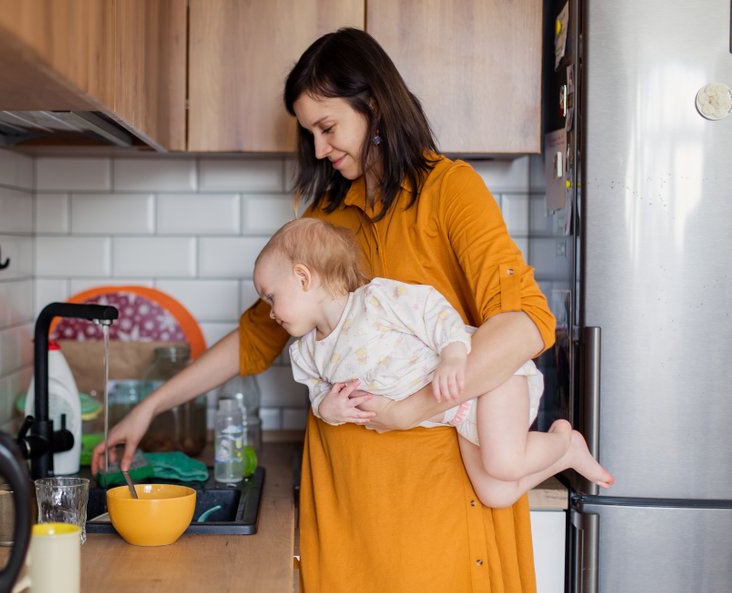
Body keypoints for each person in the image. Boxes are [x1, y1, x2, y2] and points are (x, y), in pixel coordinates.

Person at [94, 27, 559, 591]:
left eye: (327, 126)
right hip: (343, 507)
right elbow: (254, 339)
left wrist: (411, 409)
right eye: (309, 132)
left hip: (438, 507)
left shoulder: (450, 191)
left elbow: (525, 323)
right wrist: (152, 407)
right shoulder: (328, 225)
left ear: (374, 105)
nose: (317, 148)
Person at [253, 217, 613, 508]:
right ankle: (563, 457)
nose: (270, 313)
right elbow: (317, 394)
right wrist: (326, 408)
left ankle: (566, 442)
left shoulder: (375, 300)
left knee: (505, 463)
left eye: (271, 297)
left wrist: (454, 354)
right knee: (497, 494)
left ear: (303, 277)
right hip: (457, 413)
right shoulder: (305, 353)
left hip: (489, 381)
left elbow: (434, 312)